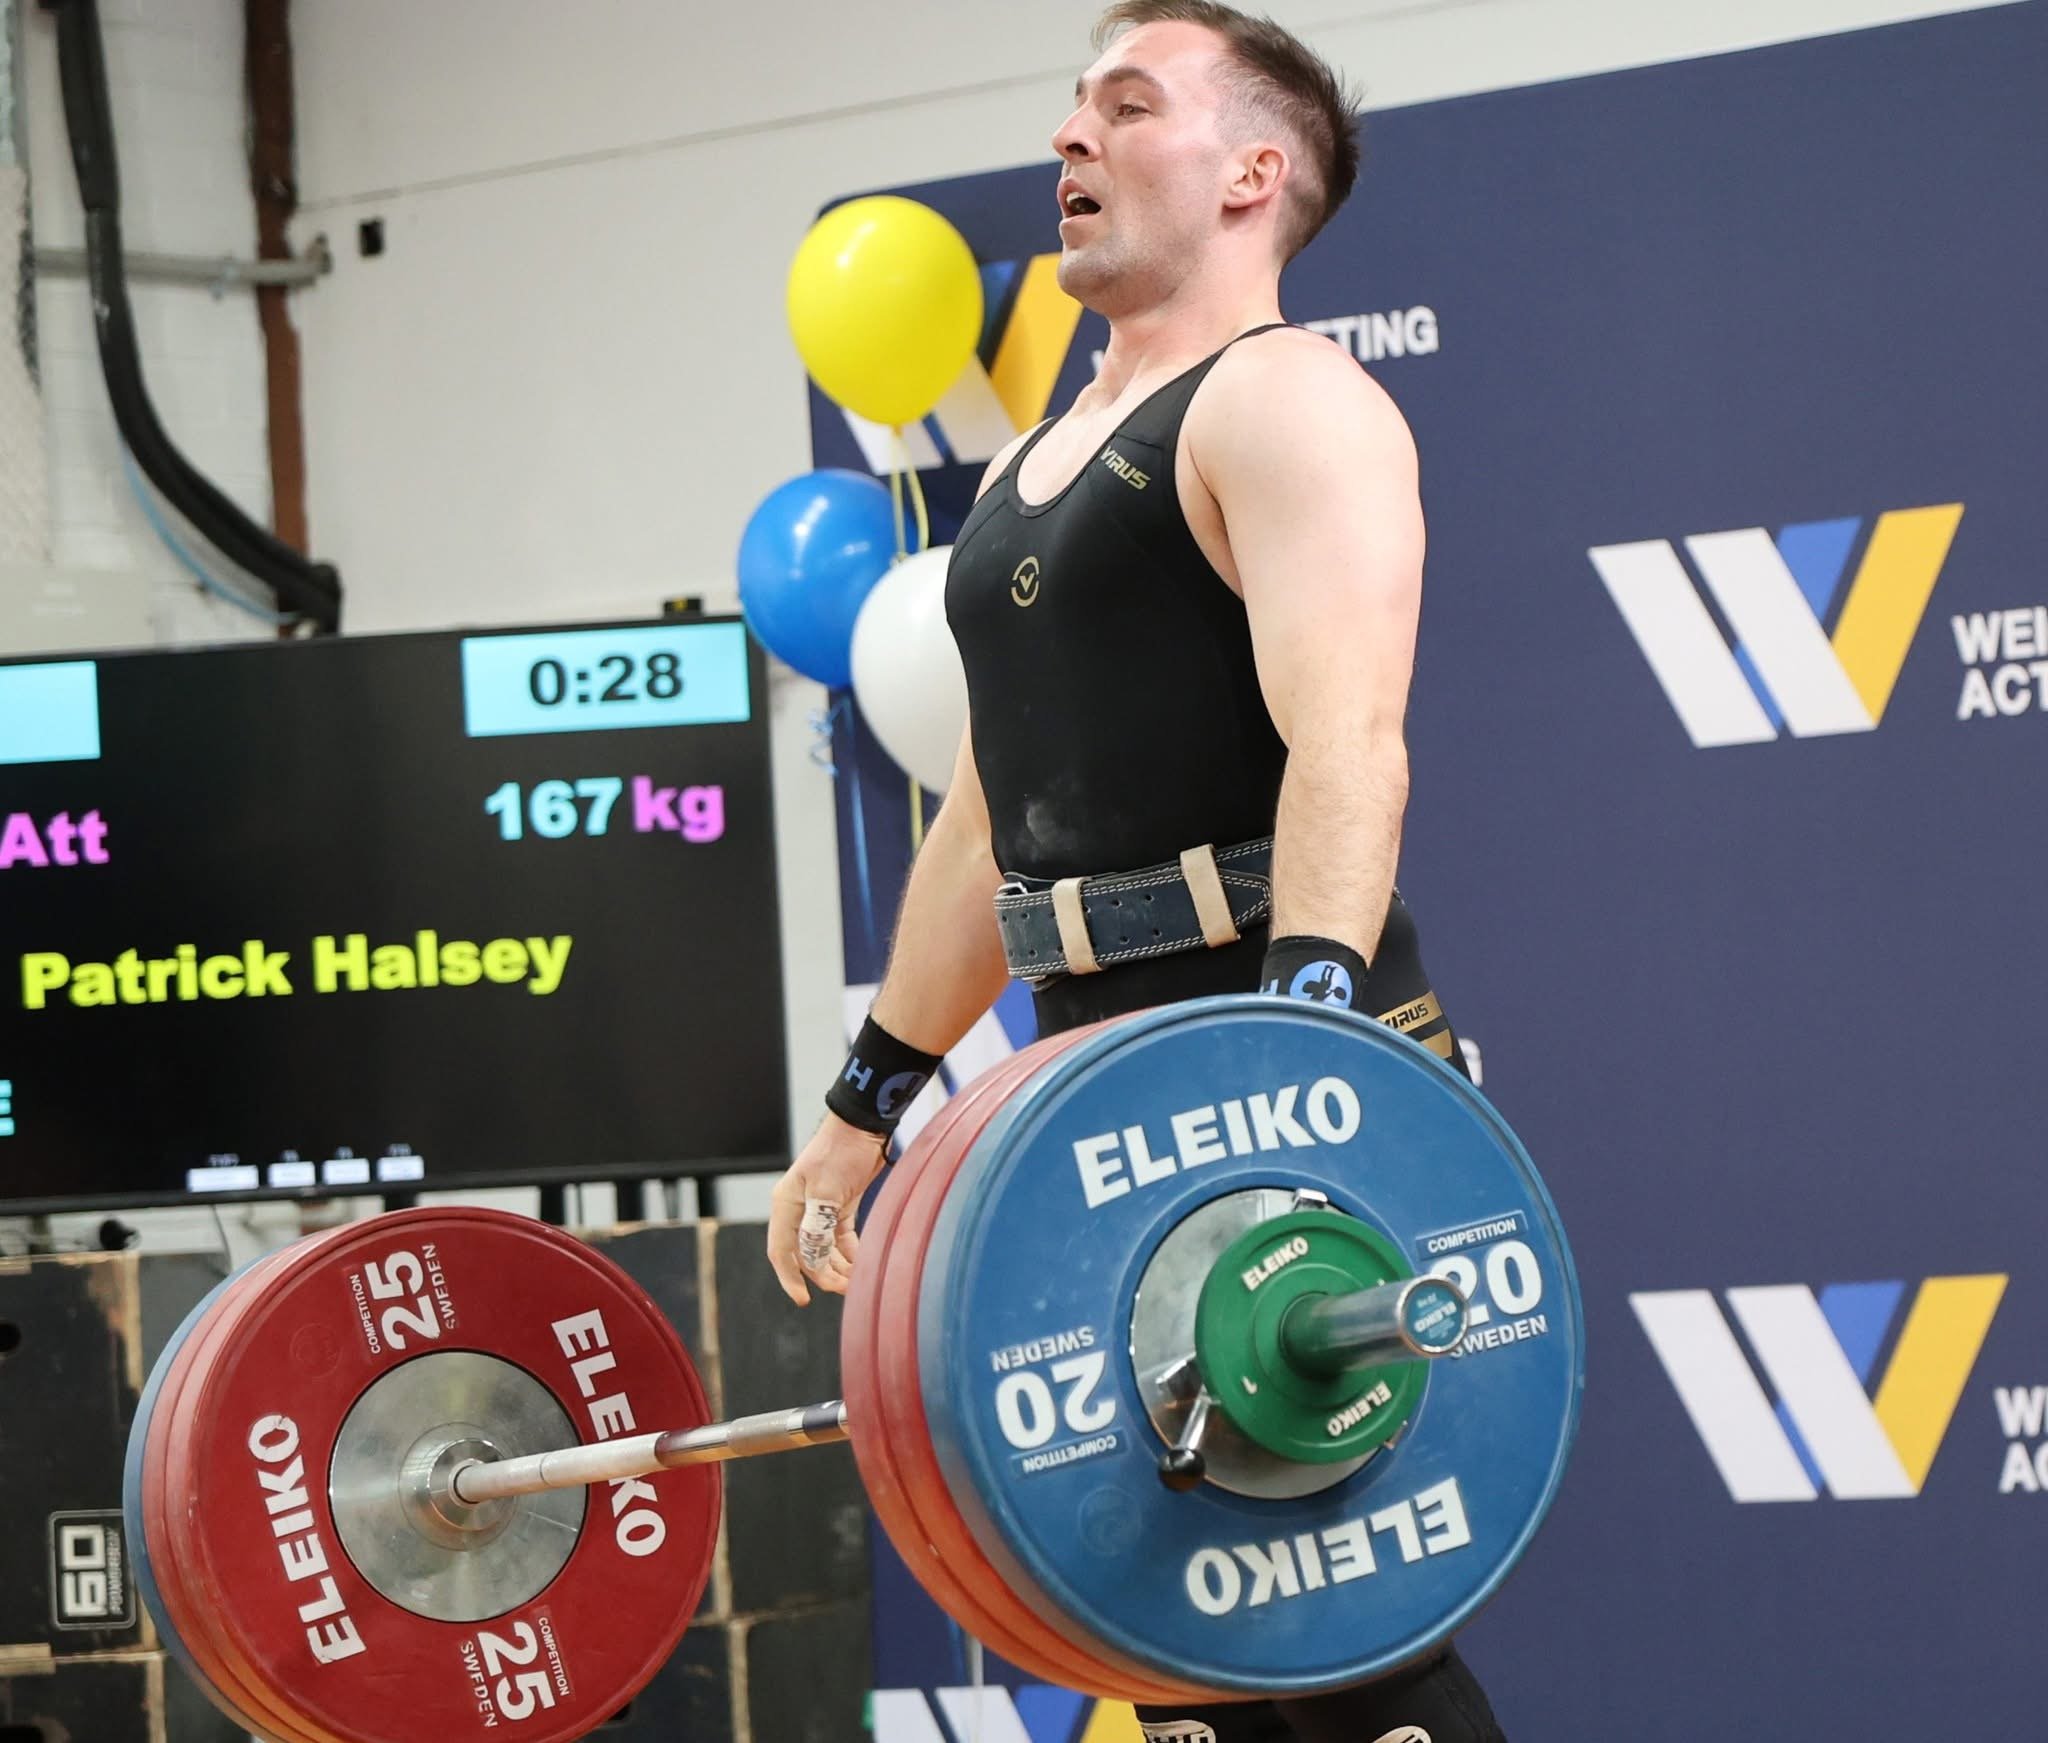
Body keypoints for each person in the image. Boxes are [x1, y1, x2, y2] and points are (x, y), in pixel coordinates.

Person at [768, 4, 1500, 1739]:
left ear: (1254, 173)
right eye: (1071, 106)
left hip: (1271, 1030)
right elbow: (984, 819)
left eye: (1125, 104)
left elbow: (1350, 744)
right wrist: (866, 1097)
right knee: (1172, 1631)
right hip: (1094, 1056)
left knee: (1337, 1610)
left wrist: (1299, 1042)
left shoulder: (1291, 401)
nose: (1069, 138)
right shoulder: (1031, 463)